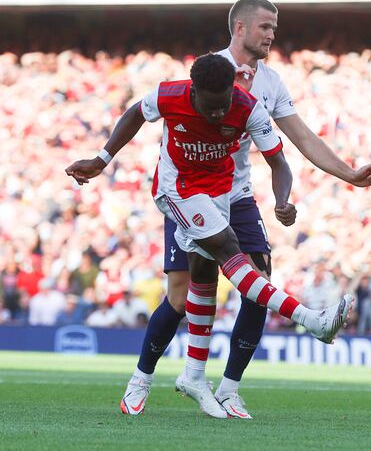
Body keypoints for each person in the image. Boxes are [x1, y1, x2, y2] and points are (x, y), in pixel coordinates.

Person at [118, 0, 371, 419]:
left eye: (275, 27)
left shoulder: (271, 84)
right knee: (182, 296)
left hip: (236, 193)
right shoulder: (209, 71)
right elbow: (150, 111)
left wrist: (347, 174)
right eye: (265, 27)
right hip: (186, 191)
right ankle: (141, 378)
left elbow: (302, 138)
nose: (272, 34)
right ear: (239, 28)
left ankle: (228, 389)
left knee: (256, 279)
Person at [65, 53, 354, 418]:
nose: (219, 114)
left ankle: (193, 376)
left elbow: (279, 162)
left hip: (220, 193)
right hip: (177, 189)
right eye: (211, 107)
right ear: (194, 92)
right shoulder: (170, 96)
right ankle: (312, 320)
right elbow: (136, 113)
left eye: (224, 106)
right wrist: (103, 159)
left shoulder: (247, 108)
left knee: (203, 279)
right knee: (225, 251)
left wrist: (282, 200)